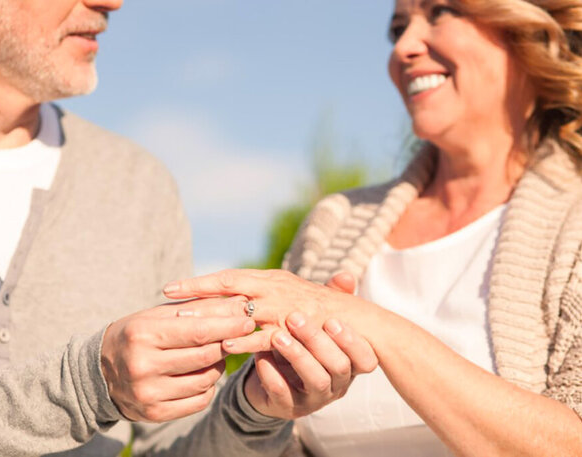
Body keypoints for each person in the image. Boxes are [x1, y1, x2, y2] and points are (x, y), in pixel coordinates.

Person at [0, 0, 379, 456]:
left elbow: (168, 444)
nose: (113, 2)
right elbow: (86, 387)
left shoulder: (137, 185)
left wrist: (253, 409)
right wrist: (87, 385)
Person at [162, 0, 582, 455]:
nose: (403, 46)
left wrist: (375, 326)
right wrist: (257, 408)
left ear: (525, 31)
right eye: (397, 27)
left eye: (440, 12)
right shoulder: (336, 220)